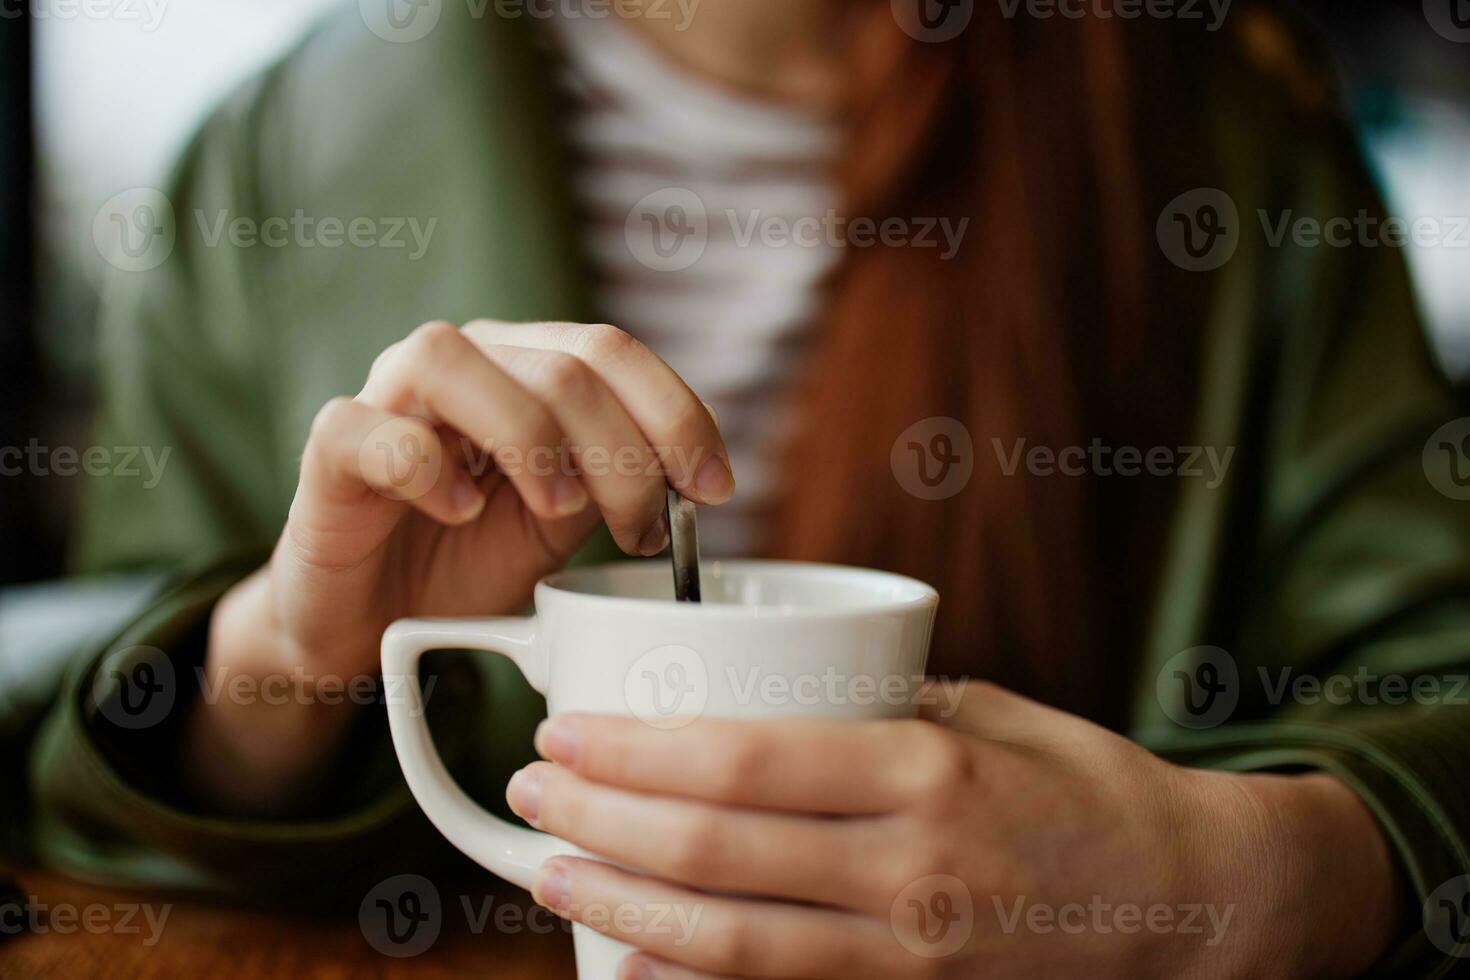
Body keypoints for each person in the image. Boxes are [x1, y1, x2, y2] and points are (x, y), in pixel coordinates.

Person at [22, 0, 1470, 976]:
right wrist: (288, 657)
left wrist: (1220, 883)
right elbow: (109, 743)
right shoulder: (275, 156)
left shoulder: (1228, 143)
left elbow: (1436, 681)